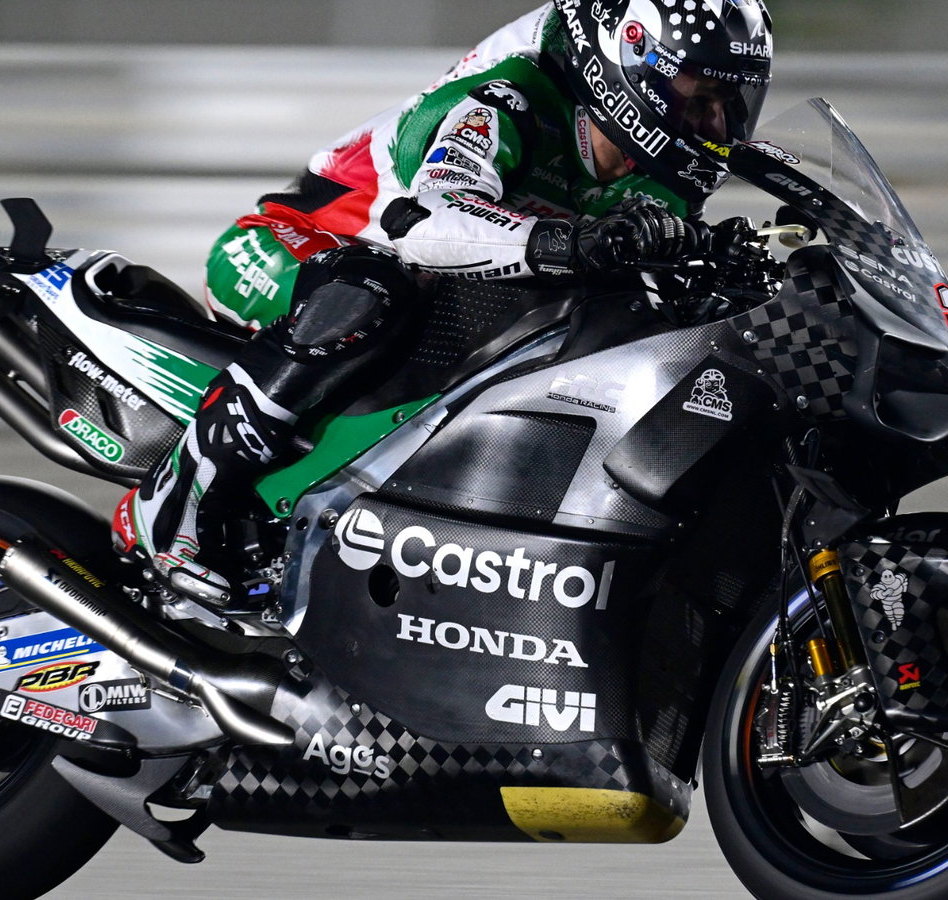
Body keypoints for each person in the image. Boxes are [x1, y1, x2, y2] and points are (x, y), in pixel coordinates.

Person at [110, 0, 774, 607]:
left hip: (432, 287)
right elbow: (424, 226)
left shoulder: (665, 173)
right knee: (372, 289)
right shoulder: (510, 95)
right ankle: (175, 506)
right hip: (296, 245)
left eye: (731, 101)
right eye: (699, 97)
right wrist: (568, 242)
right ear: (629, 65)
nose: (715, 125)